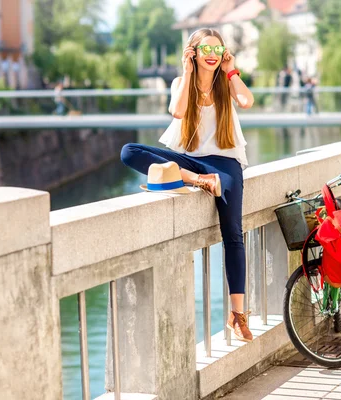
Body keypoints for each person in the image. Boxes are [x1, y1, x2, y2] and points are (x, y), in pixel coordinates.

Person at [120, 28, 255, 342]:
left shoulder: (226, 81)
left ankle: (238, 314)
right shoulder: (181, 83)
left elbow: (247, 101)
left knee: (233, 233)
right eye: (206, 48)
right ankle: (197, 181)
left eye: (218, 50)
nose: (212, 54)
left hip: (224, 163)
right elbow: (177, 111)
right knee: (129, 151)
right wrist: (186, 70)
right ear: (193, 51)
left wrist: (230, 69)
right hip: (188, 162)